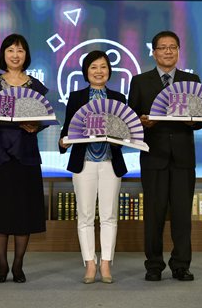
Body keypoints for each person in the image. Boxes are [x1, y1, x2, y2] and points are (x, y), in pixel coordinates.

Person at [128, 30, 202, 282]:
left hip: (183, 158)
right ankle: (153, 265)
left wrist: (192, 121)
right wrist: (142, 123)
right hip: (154, 157)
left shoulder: (191, 80)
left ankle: (181, 265)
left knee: (182, 215)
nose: (168, 51)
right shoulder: (140, 82)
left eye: (173, 47)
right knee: (154, 214)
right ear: (153, 52)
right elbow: (129, 120)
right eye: (162, 47)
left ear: (179, 51)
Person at [0, 33, 46, 284]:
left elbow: (44, 119)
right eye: (11, 50)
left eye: (20, 50)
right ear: (3, 54)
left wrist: (36, 126)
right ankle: (2, 265)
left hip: (26, 155)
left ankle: (18, 265)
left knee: (24, 212)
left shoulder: (36, 87)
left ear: (26, 55)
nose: (15, 55)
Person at [58, 50, 128, 284]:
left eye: (103, 67)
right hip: (84, 162)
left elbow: (124, 133)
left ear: (109, 71)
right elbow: (67, 129)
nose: (99, 71)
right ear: (86, 72)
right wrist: (63, 142)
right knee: (85, 216)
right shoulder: (76, 97)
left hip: (110, 162)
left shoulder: (118, 98)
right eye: (94, 67)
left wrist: (119, 138)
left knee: (109, 215)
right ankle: (89, 263)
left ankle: (106, 263)